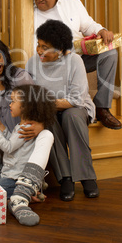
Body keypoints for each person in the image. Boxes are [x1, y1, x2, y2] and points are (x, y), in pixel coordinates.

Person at [33, 0, 121, 130]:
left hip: (79, 57)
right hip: (53, 63)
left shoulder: (72, 2)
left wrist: (101, 30)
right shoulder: (29, 13)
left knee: (110, 53)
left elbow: (88, 26)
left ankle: (102, 107)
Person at [26, 19, 99, 201]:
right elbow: (30, 95)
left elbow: (76, 100)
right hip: (50, 111)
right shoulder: (32, 63)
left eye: (46, 47)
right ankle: (65, 177)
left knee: (72, 117)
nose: (39, 51)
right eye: (38, 45)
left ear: (60, 49)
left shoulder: (74, 61)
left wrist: (44, 102)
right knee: (47, 119)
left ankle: (86, 175)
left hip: (76, 108)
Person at [0, 84, 55, 227]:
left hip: (13, 178)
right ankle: (22, 196)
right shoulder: (22, 126)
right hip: (8, 175)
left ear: (25, 107)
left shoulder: (24, 128)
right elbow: (13, 145)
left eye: (13, 101)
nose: (10, 104)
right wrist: (1, 127)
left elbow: (8, 147)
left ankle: (16, 199)